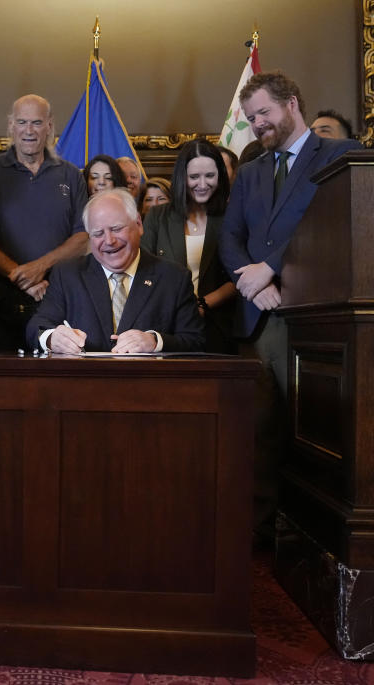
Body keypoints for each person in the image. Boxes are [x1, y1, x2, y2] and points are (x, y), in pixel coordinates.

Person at [219, 71, 360, 539]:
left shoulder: (341, 156)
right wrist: (253, 282)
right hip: (259, 322)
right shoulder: (252, 170)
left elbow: (342, 222)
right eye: (251, 118)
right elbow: (230, 239)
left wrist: (272, 266)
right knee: (259, 432)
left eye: (264, 113)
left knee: (318, 434)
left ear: (292, 103)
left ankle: (311, 534)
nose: (258, 124)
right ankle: (260, 537)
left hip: (318, 316)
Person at [0, 94, 88, 350]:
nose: (29, 131)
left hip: (58, 299)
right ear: (11, 125)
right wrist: (22, 277)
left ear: (49, 125)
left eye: (36, 122)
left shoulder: (71, 175)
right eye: (22, 122)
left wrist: (40, 267)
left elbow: (82, 238)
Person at [28, 188, 204, 354]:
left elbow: (196, 341)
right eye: (98, 234)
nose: (109, 241)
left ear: (139, 225)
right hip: (84, 383)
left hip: (149, 383)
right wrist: (51, 338)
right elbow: (37, 326)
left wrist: (156, 341)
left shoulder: (173, 278)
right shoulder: (67, 274)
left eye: (116, 229)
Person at [142, 140, 237, 353]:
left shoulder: (232, 216)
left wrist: (202, 305)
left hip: (218, 326)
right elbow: (145, 270)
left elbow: (239, 276)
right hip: (166, 325)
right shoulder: (158, 216)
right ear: (181, 177)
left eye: (210, 176)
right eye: (194, 177)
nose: (202, 184)